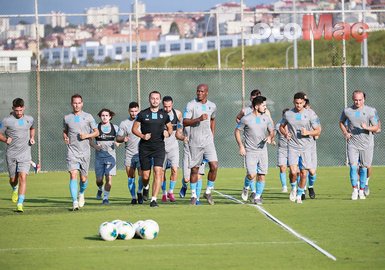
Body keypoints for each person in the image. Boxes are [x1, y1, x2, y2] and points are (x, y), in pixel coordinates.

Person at [132, 91, 173, 207]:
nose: (155, 100)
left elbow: (170, 128)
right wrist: (143, 136)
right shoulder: (142, 114)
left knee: (158, 172)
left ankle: (154, 199)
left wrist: (168, 133)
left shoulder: (164, 115)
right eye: (152, 98)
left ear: (160, 100)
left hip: (159, 148)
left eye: (157, 98)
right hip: (145, 148)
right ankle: (146, 186)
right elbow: (134, 129)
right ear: (149, 100)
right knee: (145, 176)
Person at [279, 92, 321, 204]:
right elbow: (281, 127)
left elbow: (318, 130)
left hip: (306, 147)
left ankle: (299, 194)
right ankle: (293, 188)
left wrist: (308, 132)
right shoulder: (288, 114)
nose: (298, 105)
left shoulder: (311, 114)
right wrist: (285, 134)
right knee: (293, 172)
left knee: (304, 173)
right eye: (296, 103)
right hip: (293, 146)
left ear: (304, 102)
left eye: (300, 103)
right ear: (293, 102)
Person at [339, 90, 379, 200]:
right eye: (355, 100)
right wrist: (346, 133)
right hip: (352, 143)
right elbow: (341, 122)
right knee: (353, 166)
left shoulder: (371, 111)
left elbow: (376, 127)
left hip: (367, 144)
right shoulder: (347, 111)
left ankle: (362, 190)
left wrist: (367, 127)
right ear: (353, 99)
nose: (357, 102)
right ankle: (355, 190)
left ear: (364, 99)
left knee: (364, 167)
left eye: (360, 100)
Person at [235, 96, 274, 205]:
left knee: (261, 174)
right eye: (263, 105)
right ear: (256, 106)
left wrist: (270, 137)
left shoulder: (266, 118)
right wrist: (241, 146)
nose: (265, 107)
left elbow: (272, 131)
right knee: (252, 175)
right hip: (250, 151)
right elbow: (237, 131)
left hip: (262, 151)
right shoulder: (246, 118)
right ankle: (246, 186)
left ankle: (257, 197)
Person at [183, 83, 218, 205]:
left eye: (202, 91)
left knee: (214, 166)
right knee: (195, 170)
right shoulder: (191, 105)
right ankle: (193, 195)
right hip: (195, 142)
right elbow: (185, 121)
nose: (199, 93)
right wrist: (198, 119)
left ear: (206, 92)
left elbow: (213, 119)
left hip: (208, 141)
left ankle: (208, 191)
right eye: (198, 91)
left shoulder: (212, 106)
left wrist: (212, 134)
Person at [63, 94, 99, 211]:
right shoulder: (67, 118)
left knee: (83, 178)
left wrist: (87, 135)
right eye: (74, 103)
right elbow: (65, 131)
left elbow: (96, 132)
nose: (77, 105)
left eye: (79, 103)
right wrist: (65, 137)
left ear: (82, 103)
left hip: (85, 152)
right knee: (73, 174)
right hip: (72, 151)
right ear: (71, 103)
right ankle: (74, 202)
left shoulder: (88, 117)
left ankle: (81, 193)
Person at [0, 98, 35, 212]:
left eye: (20, 110)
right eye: (16, 110)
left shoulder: (29, 119)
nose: (19, 113)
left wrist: (32, 137)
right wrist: (5, 140)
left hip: (25, 153)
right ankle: (14, 188)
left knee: (23, 177)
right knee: (13, 179)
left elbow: (32, 127)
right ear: (13, 109)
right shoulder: (6, 121)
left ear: (23, 108)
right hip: (12, 154)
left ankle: (20, 204)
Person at [90, 108, 119, 205]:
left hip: (110, 156)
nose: (105, 117)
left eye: (107, 115)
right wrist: (95, 146)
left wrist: (118, 142)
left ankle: (105, 198)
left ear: (110, 117)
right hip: (99, 157)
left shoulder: (115, 127)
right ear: (100, 117)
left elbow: (120, 138)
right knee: (99, 180)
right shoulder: (96, 127)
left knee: (108, 177)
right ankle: (100, 188)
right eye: (103, 115)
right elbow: (90, 140)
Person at [116, 102, 143, 205]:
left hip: (141, 153)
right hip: (129, 154)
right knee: (131, 177)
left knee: (142, 176)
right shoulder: (124, 123)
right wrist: (123, 138)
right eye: (132, 111)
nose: (134, 113)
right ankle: (133, 197)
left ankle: (140, 192)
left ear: (138, 111)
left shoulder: (143, 121)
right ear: (128, 111)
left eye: (136, 111)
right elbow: (118, 138)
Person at [161, 96, 185, 203]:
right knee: (161, 172)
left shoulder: (178, 113)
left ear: (172, 104)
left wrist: (181, 132)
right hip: (160, 147)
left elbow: (183, 125)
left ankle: (171, 192)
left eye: (169, 106)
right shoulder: (159, 114)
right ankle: (164, 193)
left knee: (174, 169)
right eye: (165, 107)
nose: (167, 109)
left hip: (173, 147)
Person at [275, 108, 290, 193]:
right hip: (282, 149)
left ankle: (294, 186)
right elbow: (273, 133)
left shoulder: (293, 124)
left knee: (293, 170)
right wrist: (272, 139)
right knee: (282, 167)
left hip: (292, 149)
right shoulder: (278, 125)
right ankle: (284, 186)